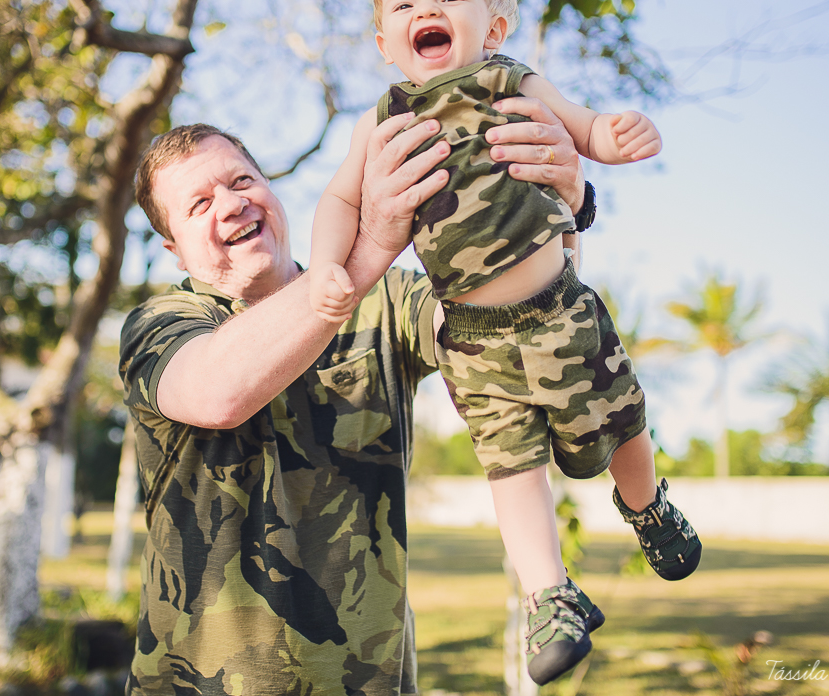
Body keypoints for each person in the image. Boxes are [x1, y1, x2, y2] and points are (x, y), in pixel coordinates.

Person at [307, 0, 701, 685]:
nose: (430, 8)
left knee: (621, 419)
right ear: (386, 40)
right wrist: (327, 265)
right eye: (408, 3)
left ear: (492, 25)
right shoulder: (381, 119)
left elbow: (583, 129)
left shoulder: (507, 81)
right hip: (470, 336)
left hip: (559, 308)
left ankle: (648, 507)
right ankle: (550, 597)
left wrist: (615, 139)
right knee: (509, 465)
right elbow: (339, 198)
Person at [119, 111, 582, 695]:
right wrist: (369, 249)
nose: (232, 205)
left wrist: (559, 215)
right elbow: (219, 394)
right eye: (199, 204)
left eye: (241, 182)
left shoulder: (387, 303)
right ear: (175, 250)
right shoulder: (161, 325)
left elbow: (512, 331)